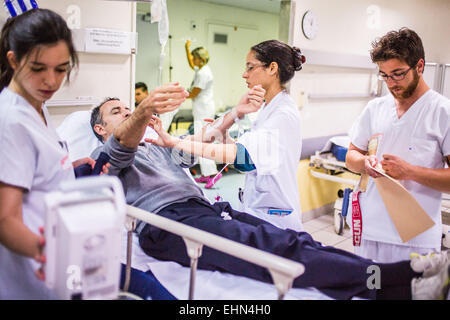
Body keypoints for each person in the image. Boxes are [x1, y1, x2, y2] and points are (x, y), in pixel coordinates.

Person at [90, 97, 450, 300]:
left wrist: (234, 115)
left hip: (206, 209)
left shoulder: (155, 148)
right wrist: (140, 112)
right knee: (277, 253)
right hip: (170, 225)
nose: (126, 113)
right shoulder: (107, 155)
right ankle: (395, 280)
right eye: (116, 112)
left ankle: (395, 281)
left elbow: (192, 152)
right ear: (101, 128)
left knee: (296, 241)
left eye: (128, 108)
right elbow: (122, 146)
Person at [0, 8, 102, 299]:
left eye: (61, 69)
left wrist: (68, 166)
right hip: (32, 271)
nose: (51, 81)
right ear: (14, 60)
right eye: (38, 68)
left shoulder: (36, 105)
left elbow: (31, 170)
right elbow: (5, 220)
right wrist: (49, 253)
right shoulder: (11, 120)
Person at [149, 40, 304, 231]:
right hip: (260, 208)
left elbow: (243, 158)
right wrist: (230, 123)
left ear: (272, 68)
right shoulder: (266, 108)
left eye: (250, 67)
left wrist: (174, 142)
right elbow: (256, 154)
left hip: (276, 218)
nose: (244, 74)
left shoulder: (283, 114)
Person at [345, 28, 450, 263]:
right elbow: (351, 157)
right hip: (369, 231)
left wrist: (409, 172)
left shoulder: (443, 112)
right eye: (385, 75)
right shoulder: (375, 109)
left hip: (415, 238)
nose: (391, 83)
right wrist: (364, 163)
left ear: (420, 66)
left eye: (398, 74)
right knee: (368, 293)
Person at [185, 40, 220, 186]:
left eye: (194, 57)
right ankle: (206, 174)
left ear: (201, 58)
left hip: (204, 110)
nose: (193, 60)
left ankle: (212, 174)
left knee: (203, 141)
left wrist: (176, 95)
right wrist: (186, 49)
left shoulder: (203, 73)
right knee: (201, 140)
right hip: (201, 109)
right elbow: (191, 65)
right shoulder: (201, 69)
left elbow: (193, 94)